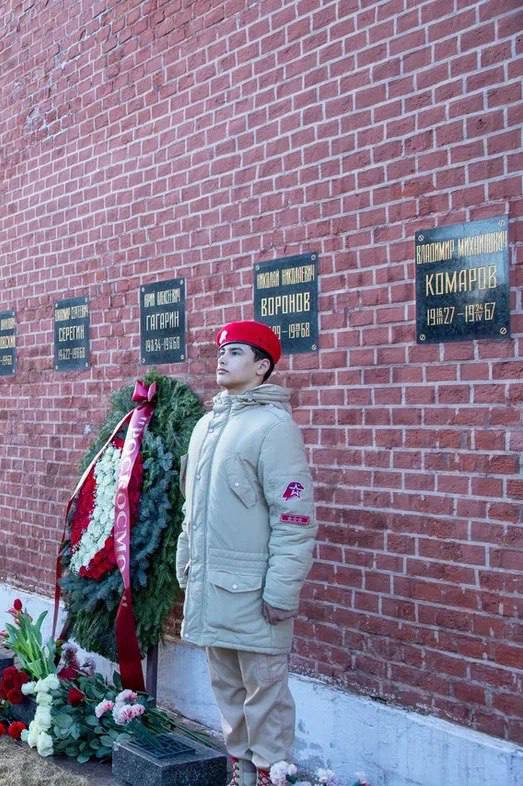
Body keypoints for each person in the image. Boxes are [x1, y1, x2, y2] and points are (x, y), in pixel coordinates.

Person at [175, 321, 317, 786]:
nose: (222, 358)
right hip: (212, 586)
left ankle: (270, 774)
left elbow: (294, 519)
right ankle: (240, 774)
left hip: (256, 594)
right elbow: (189, 508)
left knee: (267, 699)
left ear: (262, 366)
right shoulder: (205, 426)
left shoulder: (275, 428)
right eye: (221, 351)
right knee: (228, 692)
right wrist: (186, 564)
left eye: (236, 352)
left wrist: (282, 590)